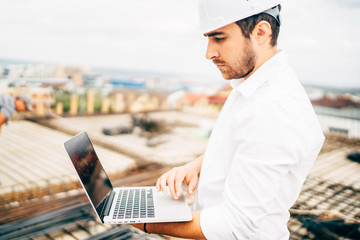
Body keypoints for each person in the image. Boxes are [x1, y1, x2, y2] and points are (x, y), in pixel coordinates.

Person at [132, 0, 324, 239]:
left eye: (219, 38)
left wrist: (149, 223)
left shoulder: (272, 108)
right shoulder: (252, 85)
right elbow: (241, 144)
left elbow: (236, 225)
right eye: (208, 39)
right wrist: (195, 167)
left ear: (261, 33)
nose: (208, 53)